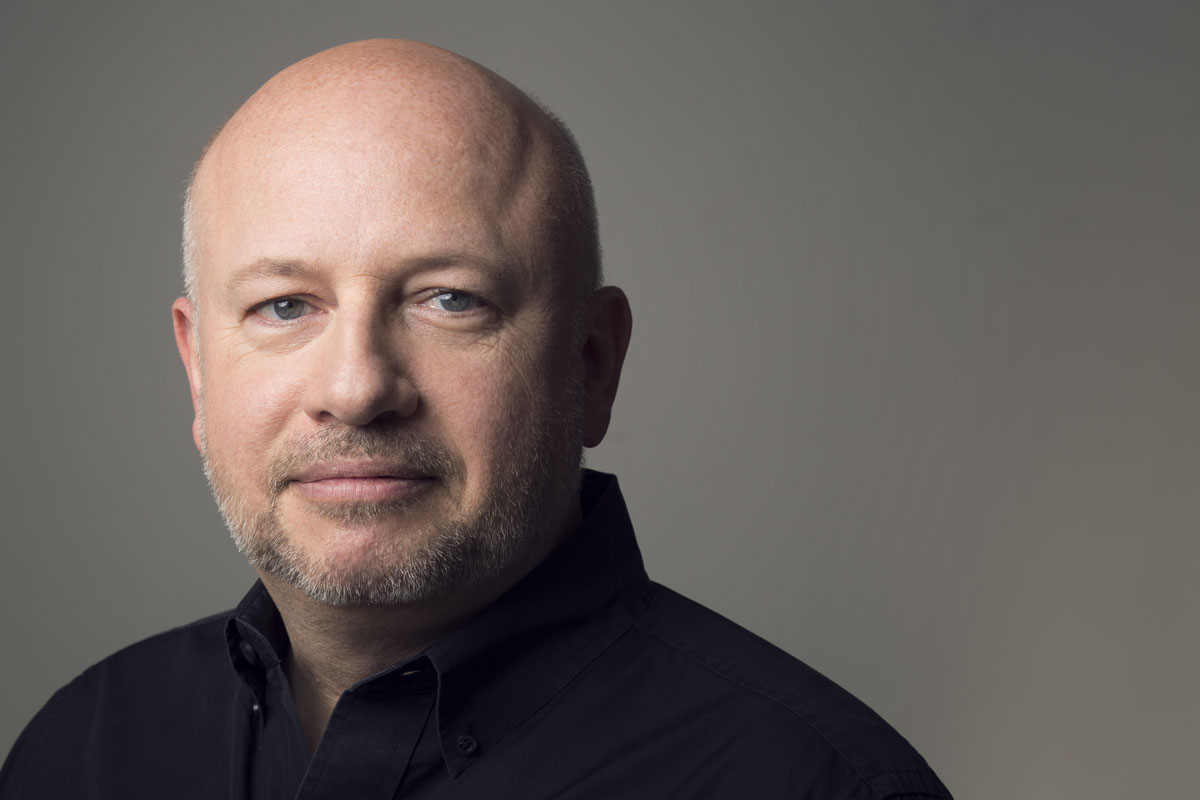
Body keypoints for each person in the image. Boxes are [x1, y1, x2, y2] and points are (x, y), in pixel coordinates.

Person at [0, 40, 952, 799]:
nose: (357, 388)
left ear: (593, 362)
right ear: (200, 374)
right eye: (284, 306)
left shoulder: (815, 783)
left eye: (449, 300)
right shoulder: (83, 750)